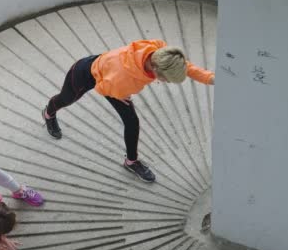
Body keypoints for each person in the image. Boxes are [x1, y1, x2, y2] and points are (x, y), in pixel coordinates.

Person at [42, 40, 215, 182]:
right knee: (66, 99)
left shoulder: (160, 53)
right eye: (166, 79)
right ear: (155, 70)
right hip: (86, 75)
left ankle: (131, 161)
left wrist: (210, 78)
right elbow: (102, 89)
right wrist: (120, 94)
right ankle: (48, 113)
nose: (166, 82)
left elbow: (184, 66)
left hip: (108, 72)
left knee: (132, 122)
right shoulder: (124, 78)